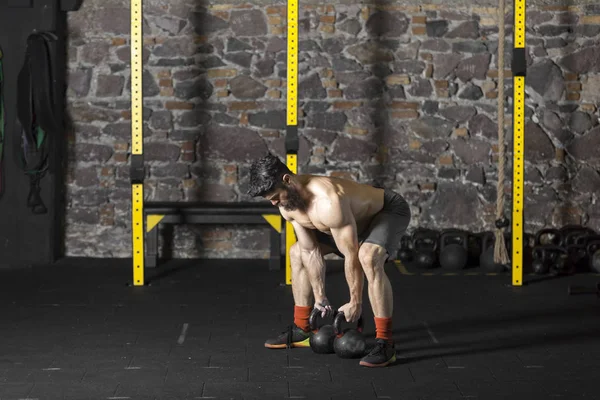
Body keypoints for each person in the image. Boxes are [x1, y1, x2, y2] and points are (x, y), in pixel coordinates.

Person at [246, 153, 411, 368]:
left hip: (385, 212)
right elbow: (310, 250)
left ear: (287, 180)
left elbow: (351, 253)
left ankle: (385, 342)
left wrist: (355, 302)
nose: (274, 203)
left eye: (275, 196)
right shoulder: (287, 206)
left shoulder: (328, 200)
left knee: (367, 257)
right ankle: (302, 328)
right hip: (347, 226)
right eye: (269, 199)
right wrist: (320, 297)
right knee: (296, 253)